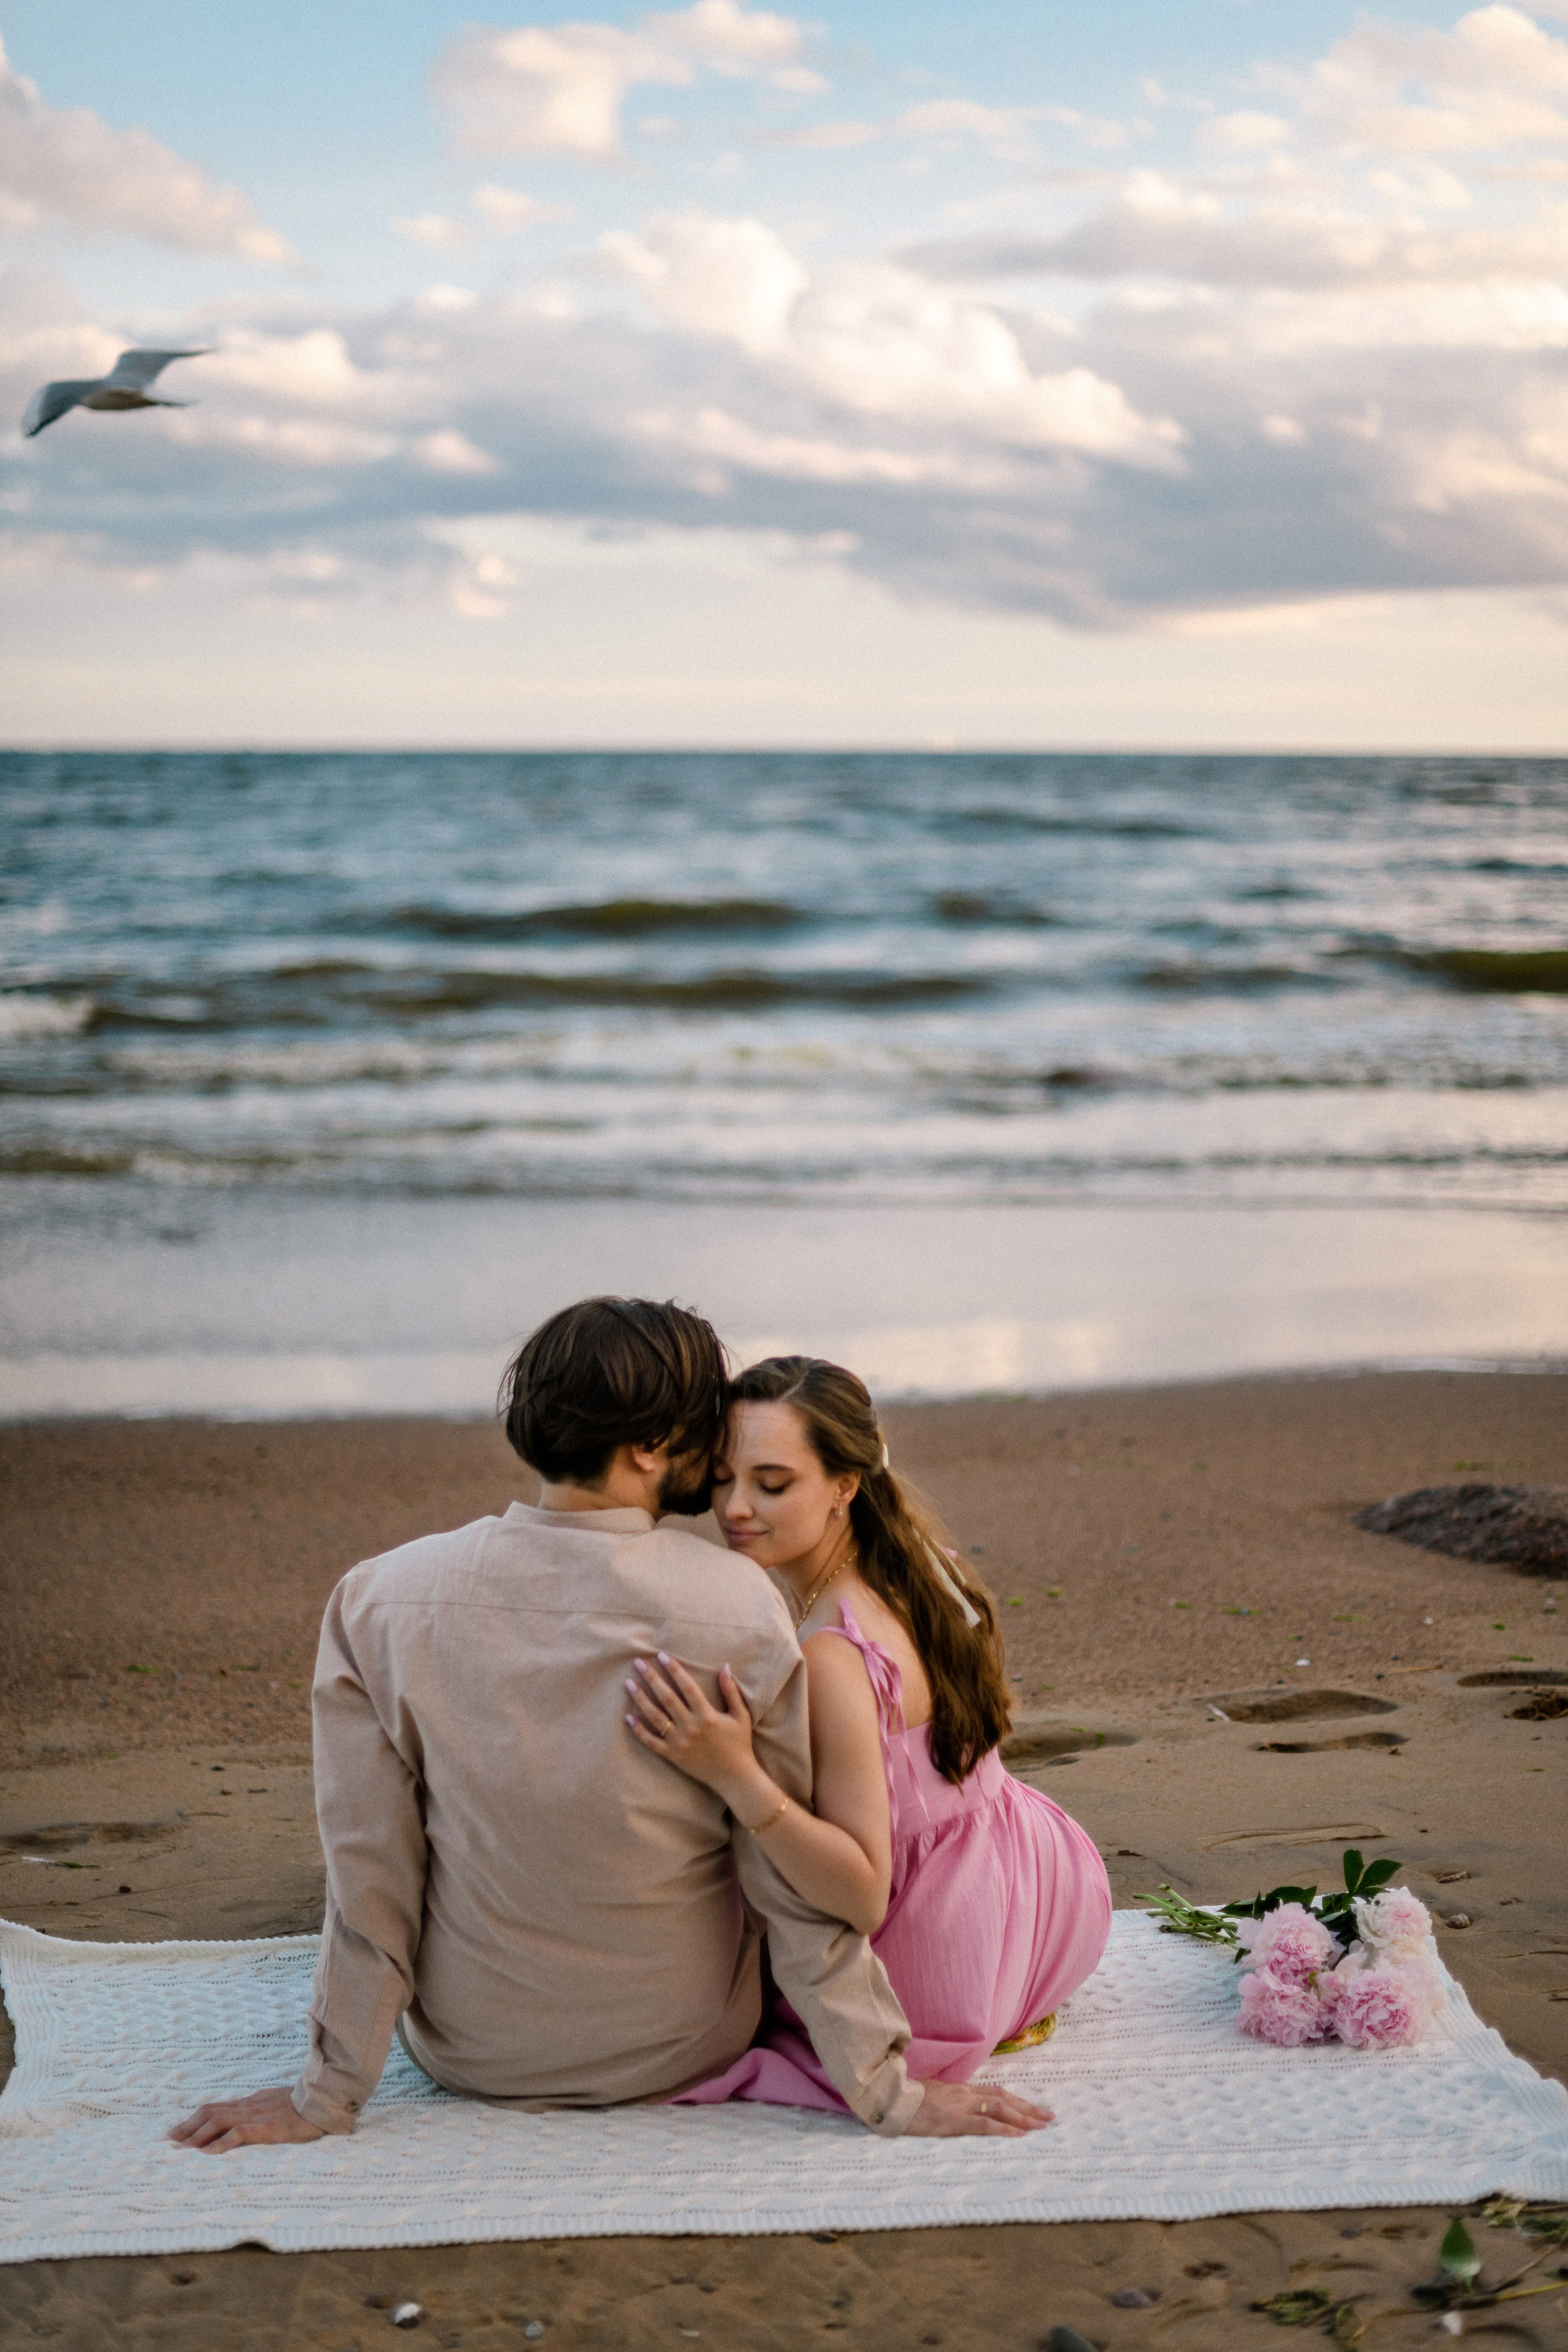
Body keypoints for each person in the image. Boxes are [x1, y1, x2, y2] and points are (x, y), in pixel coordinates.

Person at [172, 1298, 1050, 2155]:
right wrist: (884, 2091)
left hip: (471, 2054)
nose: (720, 1466)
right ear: (649, 1448)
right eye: (706, 1429)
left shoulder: (375, 1600)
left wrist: (326, 2094)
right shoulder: (735, 1607)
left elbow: (370, 1872)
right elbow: (789, 1895)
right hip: (681, 2048)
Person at [625, 1355, 1112, 2114]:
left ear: (846, 1485)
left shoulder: (830, 1656)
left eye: (773, 1483)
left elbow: (861, 1896)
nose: (736, 1508)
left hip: (938, 1973)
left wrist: (735, 1775)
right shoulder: (923, 1566)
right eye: (723, 1478)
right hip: (1052, 1893)